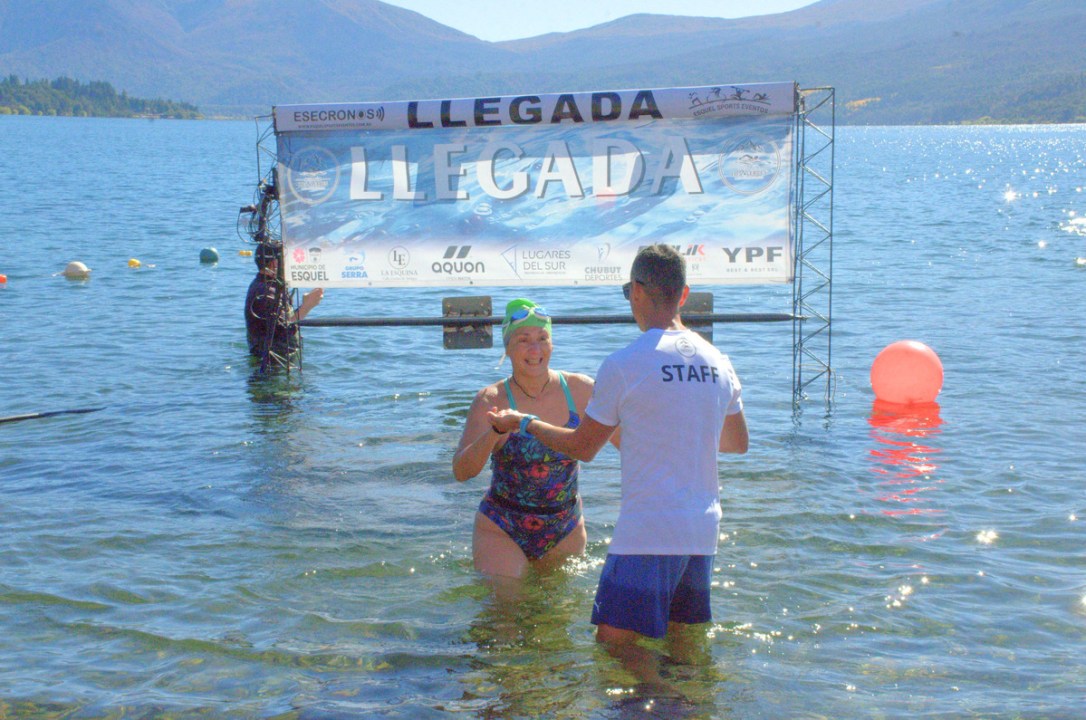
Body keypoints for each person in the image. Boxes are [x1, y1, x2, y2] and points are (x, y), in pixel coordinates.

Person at [488, 244, 748, 692]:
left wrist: (525, 423)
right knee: (683, 643)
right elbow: (737, 443)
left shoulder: (625, 364)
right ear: (684, 295)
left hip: (648, 531)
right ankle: (695, 703)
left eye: (629, 292)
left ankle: (668, 702)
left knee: (614, 643)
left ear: (638, 292)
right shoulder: (718, 362)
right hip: (703, 530)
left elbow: (582, 448)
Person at [453, 298, 596, 581]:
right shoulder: (490, 400)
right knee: (506, 607)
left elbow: (628, 444)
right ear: (507, 348)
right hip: (501, 526)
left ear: (552, 344)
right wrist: (495, 433)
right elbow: (461, 471)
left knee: (559, 609)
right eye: (523, 340)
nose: (535, 349)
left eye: (543, 338)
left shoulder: (581, 391)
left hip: (565, 526)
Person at [245, 243, 323, 362]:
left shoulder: (267, 285)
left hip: (276, 359)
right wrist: (307, 306)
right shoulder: (265, 293)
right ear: (275, 263)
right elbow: (282, 332)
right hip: (272, 364)